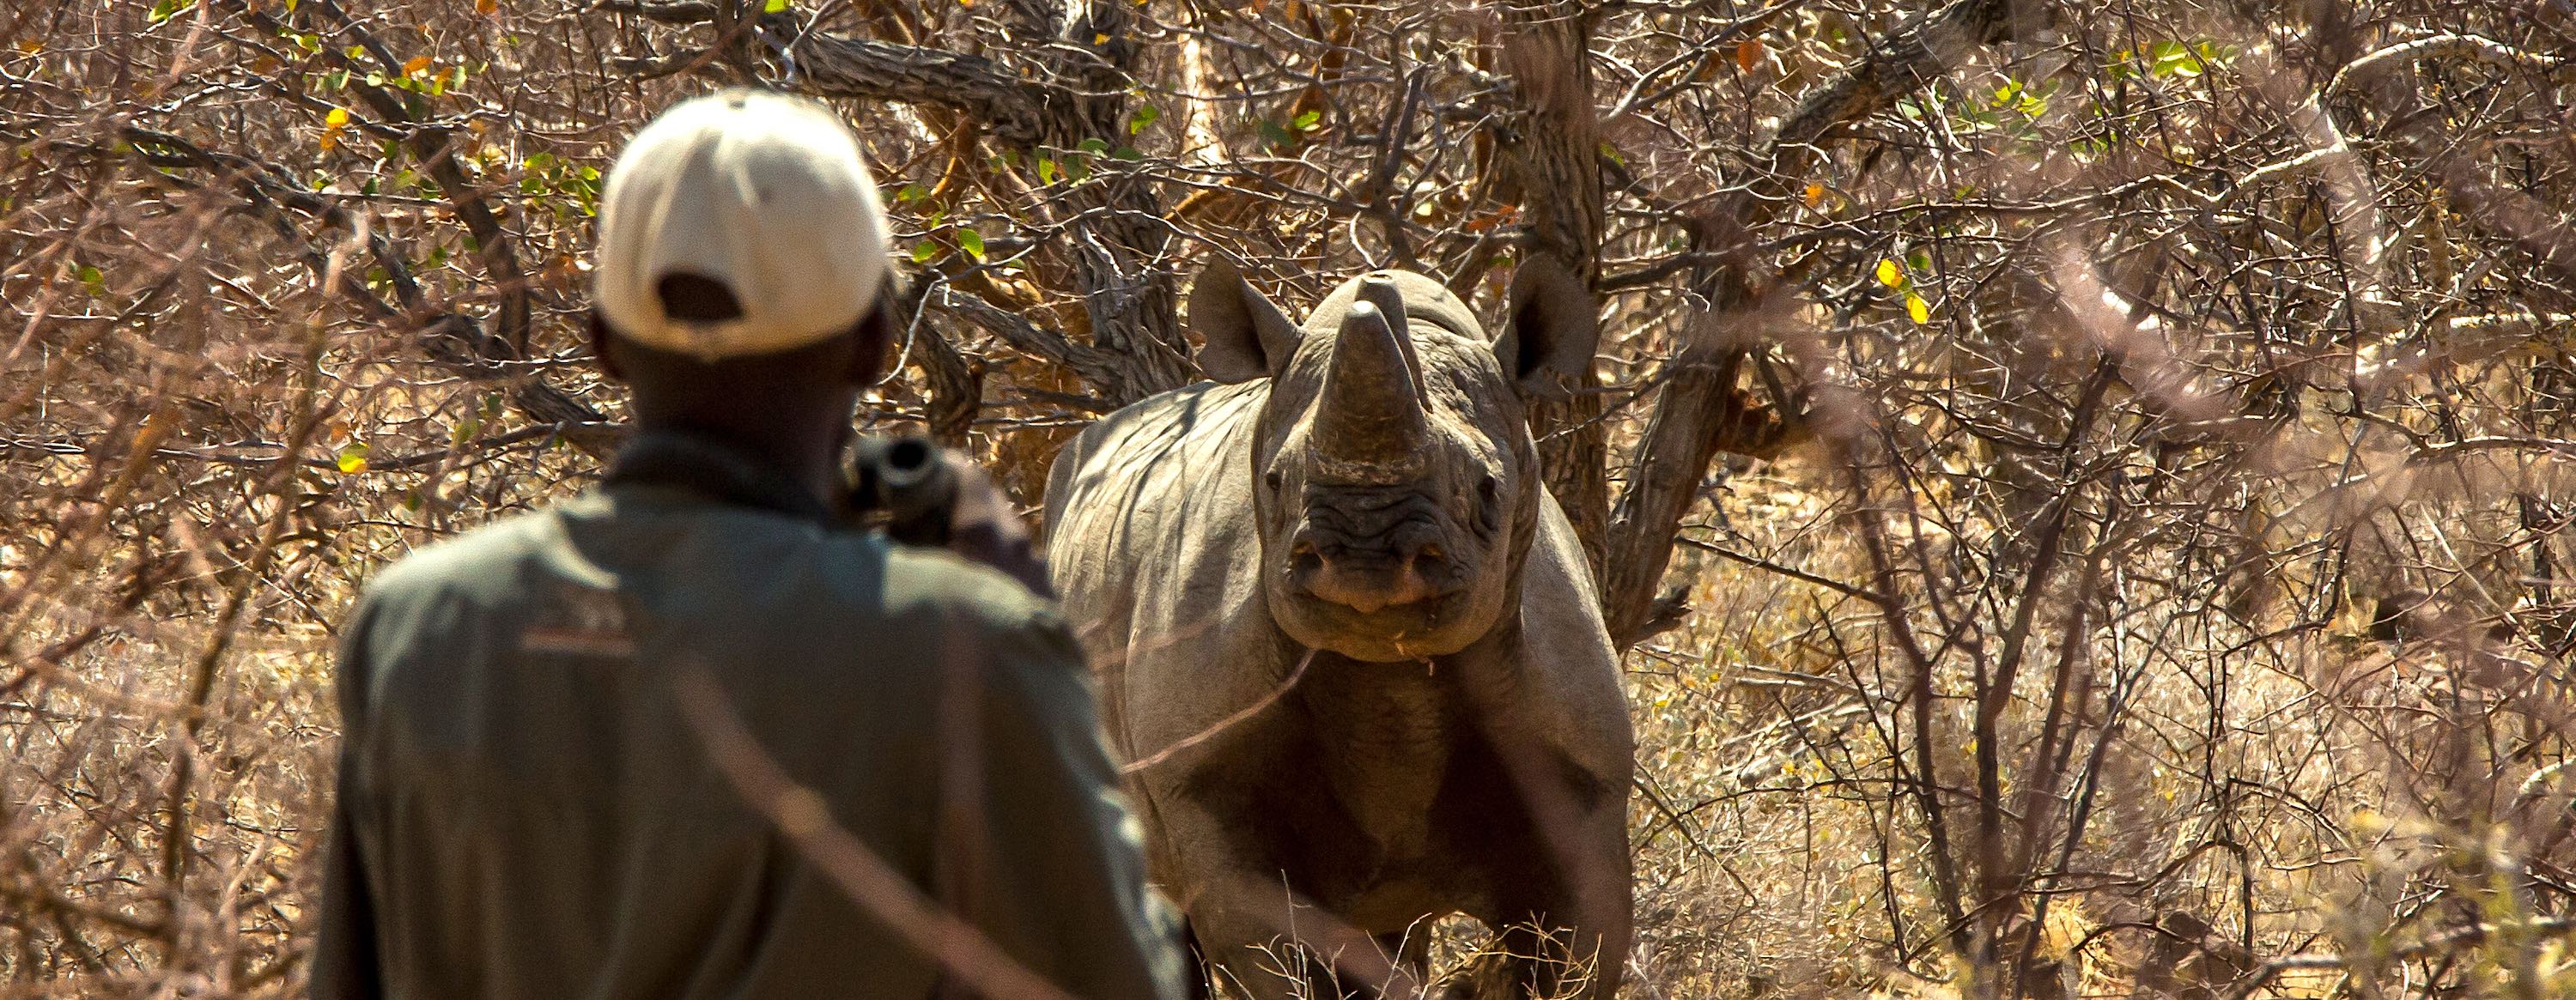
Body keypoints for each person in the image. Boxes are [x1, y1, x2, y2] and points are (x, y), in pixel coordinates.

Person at [309, 89, 1188, 1000]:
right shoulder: (961, 654)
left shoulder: (418, 628)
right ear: (875, 342)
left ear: (603, 341)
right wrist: (1026, 636)